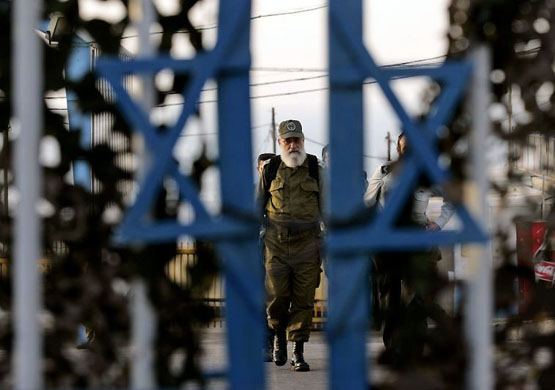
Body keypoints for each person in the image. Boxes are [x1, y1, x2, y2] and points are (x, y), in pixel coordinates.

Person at [364, 132, 454, 366]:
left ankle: (418, 347)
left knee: (419, 297)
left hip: (417, 242)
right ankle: (393, 348)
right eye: (404, 147)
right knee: (390, 299)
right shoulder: (384, 172)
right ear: (398, 148)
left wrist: (438, 224)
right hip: (388, 243)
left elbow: (452, 199)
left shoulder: (428, 174)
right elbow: (367, 204)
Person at [258, 119, 323, 372]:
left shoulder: (316, 169)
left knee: (304, 299)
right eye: (288, 140)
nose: (293, 145)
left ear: (303, 141)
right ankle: (278, 338)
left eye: (297, 140)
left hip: (308, 245)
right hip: (276, 244)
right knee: (276, 296)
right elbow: (257, 207)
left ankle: (298, 350)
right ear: (280, 142)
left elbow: (327, 209)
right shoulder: (271, 169)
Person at [256, 152, 276, 362]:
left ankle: (279, 338)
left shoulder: (280, 192)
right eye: (264, 167)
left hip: (277, 250)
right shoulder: (252, 193)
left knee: (279, 298)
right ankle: (266, 343)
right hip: (257, 252)